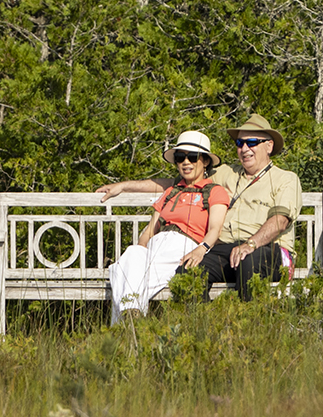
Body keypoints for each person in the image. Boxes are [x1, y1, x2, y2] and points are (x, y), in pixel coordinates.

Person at [97, 114, 300, 301]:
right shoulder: (227, 174)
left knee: (250, 261)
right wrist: (123, 186)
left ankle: (248, 328)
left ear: (269, 146)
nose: (245, 148)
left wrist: (251, 244)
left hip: (268, 250)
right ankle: (204, 327)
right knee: (190, 268)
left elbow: (280, 221)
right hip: (228, 249)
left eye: (252, 142)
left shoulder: (285, 179)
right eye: (240, 143)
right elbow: (179, 182)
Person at [106, 131, 230, 321]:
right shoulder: (171, 192)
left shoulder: (214, 191)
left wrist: (201, 249)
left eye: (192, 157)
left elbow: (215, 228)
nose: (186, 162)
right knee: (132, 254)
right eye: (180, 157)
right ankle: (132, 315)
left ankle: (125, 327)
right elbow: (150, 231)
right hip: (157, 247)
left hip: (183, 248)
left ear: (205, 161)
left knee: (121, 275)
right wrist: (140, 253)